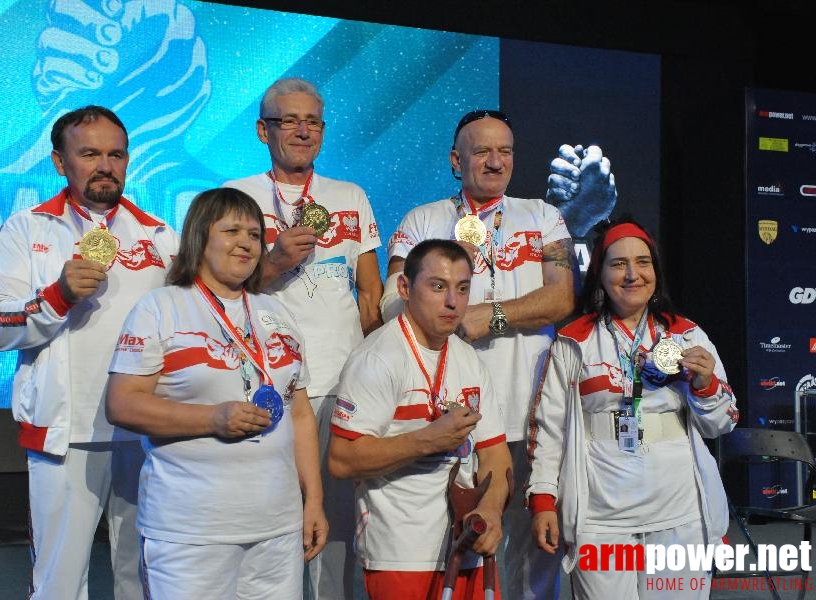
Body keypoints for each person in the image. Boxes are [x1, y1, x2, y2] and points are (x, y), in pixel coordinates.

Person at [382, 109, 616, 599]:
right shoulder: (422, 220)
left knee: (535, 552)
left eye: (505, 151)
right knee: (451, 546)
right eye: (482, 151)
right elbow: (389, 302)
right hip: (446, 415)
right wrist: (442, 313)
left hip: (530, 412)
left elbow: (560, 297)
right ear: (455, 159)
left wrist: (489, 316)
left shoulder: (543, 216)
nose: (495, 161)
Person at [0, 105, 179, 600]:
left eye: (115, 154)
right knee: (58, 583)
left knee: (145, 577)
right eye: (89, 153)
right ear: (59, 161)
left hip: (144, 432)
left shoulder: (159, 236)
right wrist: (58, 295)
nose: (105, 165)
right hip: (64, 434)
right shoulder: (27, 229)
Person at [104, 187, 328, 598]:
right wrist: (212, 418)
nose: (246, 242)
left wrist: (313, 500)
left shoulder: (276, 312)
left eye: (255, 234)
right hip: (190, 532)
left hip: (276, 528)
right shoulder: (161, 308)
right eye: (231, 230)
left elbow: (298, 413)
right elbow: (121, 403)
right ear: (199, 238)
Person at [223, 76, 384, 600]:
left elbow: (369, 295)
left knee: (336, 532)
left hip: (342, 383)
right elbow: (216, 290)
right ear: (262, 130)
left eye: (312, 120)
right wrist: (273, 262)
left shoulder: (350, 196)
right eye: (288, 119)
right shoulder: (236, 199)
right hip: (268, 387)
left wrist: (378, 375)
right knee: (271, 525)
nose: (302, 130)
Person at [527, 218, 739, 599]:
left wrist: (705, 385)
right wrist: (542, 499)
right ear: (599, 273)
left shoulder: (687, 334)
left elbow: (721, 423)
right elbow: (549, 431)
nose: (632, 274)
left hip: (679, 512)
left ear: (655, 270)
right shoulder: (573, 342)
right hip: (600, 517)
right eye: (618, 263)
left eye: (643, 262)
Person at [328, 239, 513, 599]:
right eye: (438, 286)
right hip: (402, 555)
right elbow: (341, 459)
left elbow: (495, 454)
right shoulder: (378, 358)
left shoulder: (469, 359)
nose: (452, 302)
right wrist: (428, 440)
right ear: (404, 288)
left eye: (462, 288)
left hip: (467, 546)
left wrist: (490, 509)